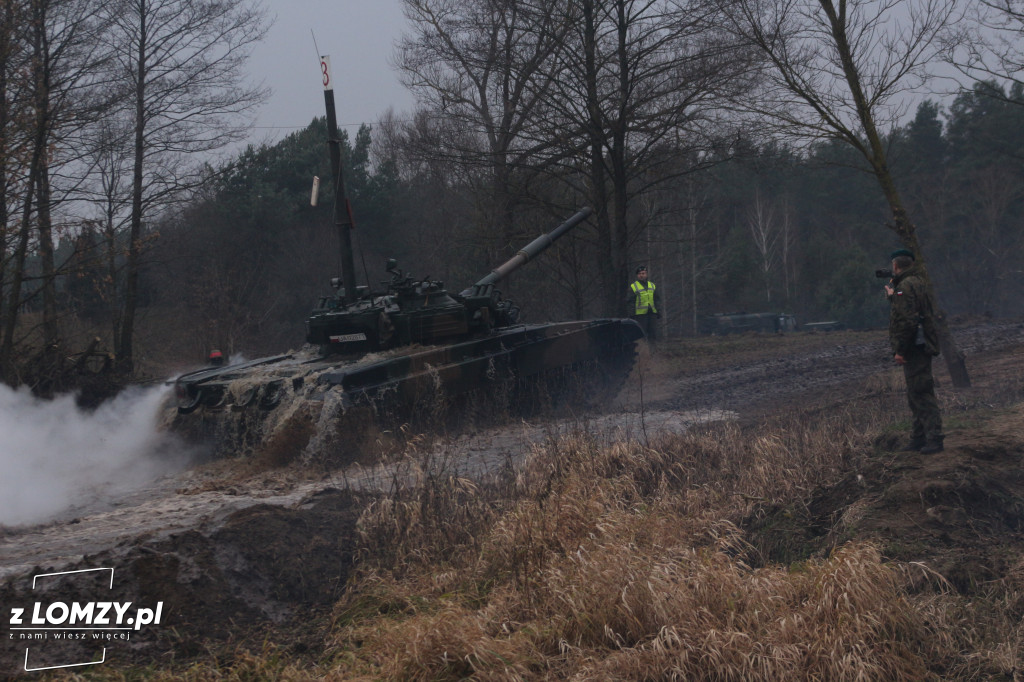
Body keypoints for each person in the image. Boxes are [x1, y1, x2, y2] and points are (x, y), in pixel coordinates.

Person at [885, 248, 943, 454]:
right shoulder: (917, 282)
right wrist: (894, 297)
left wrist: (899, 349)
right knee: (915, 393)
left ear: (895, 265)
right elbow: (913, 310)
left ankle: (934, 438)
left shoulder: (905, 287)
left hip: (914, 347)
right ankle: (918, 438)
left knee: (921, 392)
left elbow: (907, 321)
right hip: (921, 344)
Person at [629, 265, 660, 342]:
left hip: (652, 313)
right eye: (640, 273)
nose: (642, 275)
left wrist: (658, 311)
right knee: (641, 334)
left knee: (653, 334)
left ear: (646, 274)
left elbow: (657, 299)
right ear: (637, 275)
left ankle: (653, 352)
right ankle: (642, 351)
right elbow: (630, 302)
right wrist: (632, 314)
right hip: (640, 315)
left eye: (643, 273)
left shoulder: (652, 285)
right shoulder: (633, 286)